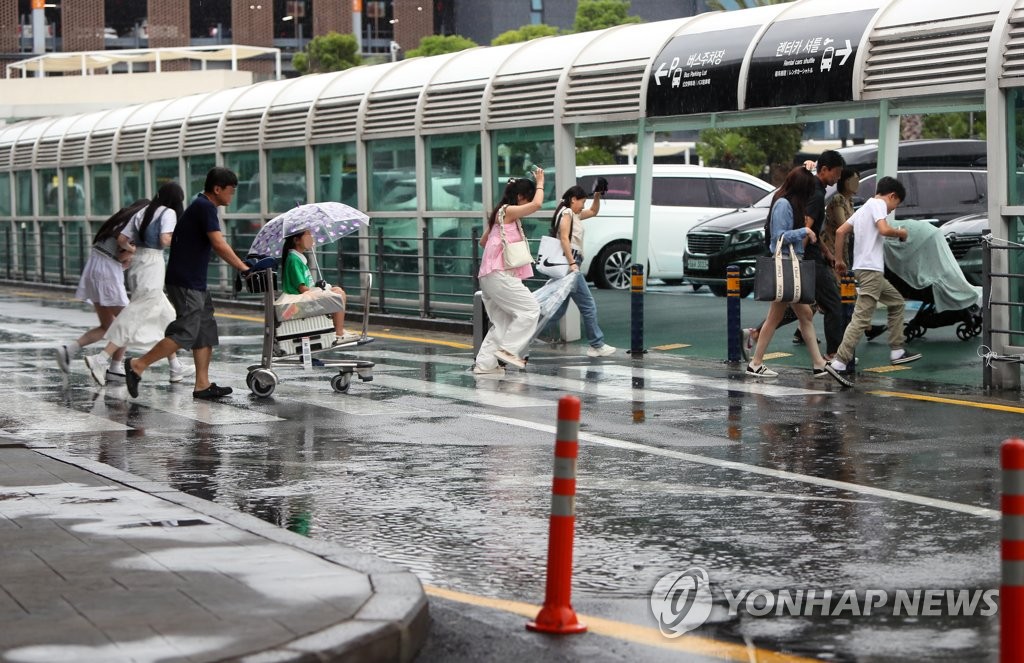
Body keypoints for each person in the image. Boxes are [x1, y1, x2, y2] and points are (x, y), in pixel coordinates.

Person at [123, 167, 253, 400]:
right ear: (217, 189)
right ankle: (137, 365)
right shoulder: (205, 207)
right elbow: (218, 243)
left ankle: (202, 385)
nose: (231, 197)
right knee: (186, 332)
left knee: (204, 329)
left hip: (194, 280)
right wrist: (242, 267)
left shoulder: (202, 205)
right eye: (230, 192)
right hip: (186, 281)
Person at [82, 183, 195, 386]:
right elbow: (165, 239)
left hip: (139, 264)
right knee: (135, 313)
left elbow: (123, 238)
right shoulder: (168, 212)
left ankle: (175, 366)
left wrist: (134, 249)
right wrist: (182, 241)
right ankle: (101, 359)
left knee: (166, 314)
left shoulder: (144, 210)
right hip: (152, 263)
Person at [746, 166, 848, 387]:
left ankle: (818, 362)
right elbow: (778, 238)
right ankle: (756, 362)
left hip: (791, 266)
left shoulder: (789, 202)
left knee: (805, 316)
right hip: (786, 266)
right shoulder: (784, 205)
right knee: (780, 317)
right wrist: (804, 231)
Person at [827, 177, 921, 382]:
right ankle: (839, 361)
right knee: (861, 317)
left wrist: (839, 260)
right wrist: (901, 233)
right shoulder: (878, 204)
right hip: (871, 270)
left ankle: (897, 351)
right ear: (892, 196)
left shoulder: (863, 209)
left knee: (896, 302)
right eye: (894, 206)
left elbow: (840, 231)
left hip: (863, 268)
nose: (890, 211)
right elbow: (884, 230)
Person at [55, 199, 150, 378]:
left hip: (94, 267)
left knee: (108, 326)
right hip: (107, 271)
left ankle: (69, 350)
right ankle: (112, 365)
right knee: (127, 320)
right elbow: (123, 256)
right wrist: (135, 252)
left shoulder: (118, 221)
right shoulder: (134, 225)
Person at [472, 170, 544, 375]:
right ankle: (508, 351)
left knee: (502, 323)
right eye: (527, 198)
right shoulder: (508, 211)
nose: (528, 202)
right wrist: (540, 182)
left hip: (489, 275)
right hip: (499, 274)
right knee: (530, 310)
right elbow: (537, 205)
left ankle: (485, 366)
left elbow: (483, 242)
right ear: (521, 197)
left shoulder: (499, 214)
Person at [545, 184, 615, 357]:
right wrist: (571, 263)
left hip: (568, 264)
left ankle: (525, 334)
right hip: (570, 264)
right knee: (588, 305)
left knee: (556, 309)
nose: (583, 206)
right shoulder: (568, 213)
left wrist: (597, 195)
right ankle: (596, 344)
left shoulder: (572, 214)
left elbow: (593, 211)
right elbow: (563, 238)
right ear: (573, 199)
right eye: (581, 201)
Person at [825, 167, 885, 343]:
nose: (857, 183)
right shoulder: (838, 200)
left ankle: (866, 328)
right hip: (832, 253)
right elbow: (843, 226)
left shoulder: (850, 202)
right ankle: (864, 329)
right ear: (845, 181)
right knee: (841, 293)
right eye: (854, 179)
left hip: (842, 253)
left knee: (835, 294)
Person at [280, 229, 357, 344]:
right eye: (308, 235)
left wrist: (319, 287)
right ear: (296, 240)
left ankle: (339, 330)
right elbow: (302, 289)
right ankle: (339, 332)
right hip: (299, 300)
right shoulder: (294, 260)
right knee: (339, 294)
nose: (312, 238)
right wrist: (320, 290)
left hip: (302, 297)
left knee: (337, 290)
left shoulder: (298, 258)